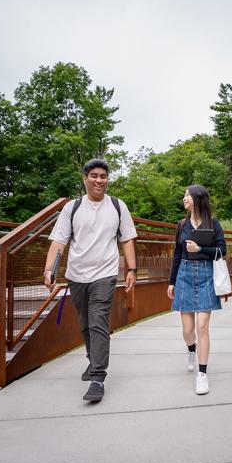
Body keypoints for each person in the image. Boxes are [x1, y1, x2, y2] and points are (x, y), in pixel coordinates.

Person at [44, 158, 138, 402]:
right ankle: (91, 359)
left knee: (98, 322)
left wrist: (132, 269)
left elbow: (127, 239)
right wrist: (48, 271)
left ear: (108, 180)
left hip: (105, 274)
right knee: (85, 323)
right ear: (85, 179)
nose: (99, 180)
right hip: (77, 275)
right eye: (94, 176)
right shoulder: (72, 208)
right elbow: (58, 241)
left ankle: (97, 377)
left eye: (103, 176)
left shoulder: (118, 206)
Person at [167, 184, 227, 395]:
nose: (184, 198)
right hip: (184, 274)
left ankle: (202, 374)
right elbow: (176, 254)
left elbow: (222, 250)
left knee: (202, 327)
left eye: (187, 195)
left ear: (198, 198)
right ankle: (191, 349)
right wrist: (171, 281)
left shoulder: (214, 223)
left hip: (206, 275)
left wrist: (200, 249)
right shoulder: (182, 224)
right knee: (187, 331)